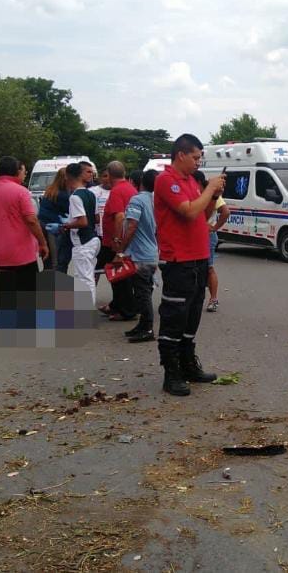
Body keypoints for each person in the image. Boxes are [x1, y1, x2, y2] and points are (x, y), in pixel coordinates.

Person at [153, 133, 223, 395]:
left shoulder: (192, 182)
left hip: (198, 257)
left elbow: (202, 215)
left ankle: (187, 364)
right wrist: (208, 189)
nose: (198, 163)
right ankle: (171, 373)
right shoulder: (166, 180)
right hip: (178, 260)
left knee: (192, 315)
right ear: (181, 154)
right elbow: (188, 211)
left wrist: (214, 196)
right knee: (174, 317)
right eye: (195, 157)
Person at [0, 156, 50, 291]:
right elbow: (31, 220)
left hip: (0, 254)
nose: (25, 174)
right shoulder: (20, 191)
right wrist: (42, 242)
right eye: (24, 171)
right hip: (22, 254)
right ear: (16, 171)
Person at [121, 169, 159, 343]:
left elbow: (132, 226)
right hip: (151, 251)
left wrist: (121, 248)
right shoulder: (154, 200)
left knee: (142, 293)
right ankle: (143, 326)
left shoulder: (137, 200)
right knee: (144, 291)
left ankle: (147, 328)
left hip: (140, 254)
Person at [97, 162, 137, 320]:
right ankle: (117, 305)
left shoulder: (117, 191)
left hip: (115, 242)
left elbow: (119, 217)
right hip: (124, 240)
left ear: (110, 174)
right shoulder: (130, 188)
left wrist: (116, 240)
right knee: (119, 275)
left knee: (118, 276)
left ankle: (126, 310)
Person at [61, 166, 101, 305]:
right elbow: (96, 218)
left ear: (68, 176)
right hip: (93, 239)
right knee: (84, 275)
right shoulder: (91, 194)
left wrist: (66, 225)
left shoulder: (75, 197)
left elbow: (82, 221)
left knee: (85, 278)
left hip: (83, 241)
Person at [192, 170, 230, 313]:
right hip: (199, 234)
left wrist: (213, 228)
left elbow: (225, 212)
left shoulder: (209, 194)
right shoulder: (201, 193)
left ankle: (213, 299)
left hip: (207, 235)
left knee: (208, 267)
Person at [38, 167, 69, 271]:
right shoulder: (63, 195)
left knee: (47, 259)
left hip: (42, 225)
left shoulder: (50, 190)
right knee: (57, 260)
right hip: (54, 227)